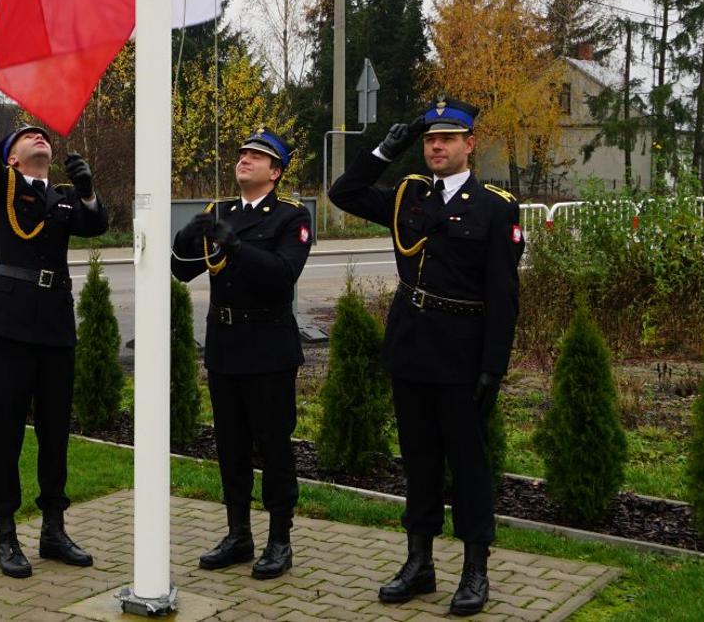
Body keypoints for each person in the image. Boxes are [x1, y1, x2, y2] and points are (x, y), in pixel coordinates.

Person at [329, 97, 524, 616]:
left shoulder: (495, 206)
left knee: (468, 465)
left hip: (462, 353)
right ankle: (419, 564)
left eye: (447, 138)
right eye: (429, 139)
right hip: (411, 347)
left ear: (469, 145)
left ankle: (475, 570)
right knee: (418, 462)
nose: (436, 146)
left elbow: (504, 295)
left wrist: (493, 367)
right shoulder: (408, 196)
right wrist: (383, 149)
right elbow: (343, 193)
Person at [0, 51, 109, 579]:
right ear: (13, 158)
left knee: (55, 431)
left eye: (42, 135)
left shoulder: (64, 198)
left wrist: (90, 190)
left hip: (54, 323)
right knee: (5, 431)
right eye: (26, 136)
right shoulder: (1, 188)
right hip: (10, 324)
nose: (38, 137)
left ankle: (54, 528)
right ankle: (6, 533)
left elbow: (98, 225)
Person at [171, 128, 313, 580]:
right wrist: (187, 238)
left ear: (275, 171)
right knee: (230, 447)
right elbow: (181, 271)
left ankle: (279, 539)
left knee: (273, 447)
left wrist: (234, 244)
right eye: (242, 152)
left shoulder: (291, 216)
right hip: (226, 345)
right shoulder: (221, 211)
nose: (244, 159)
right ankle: (238, 534)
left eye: (257, 155)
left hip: (268, 348)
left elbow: (282, 274)